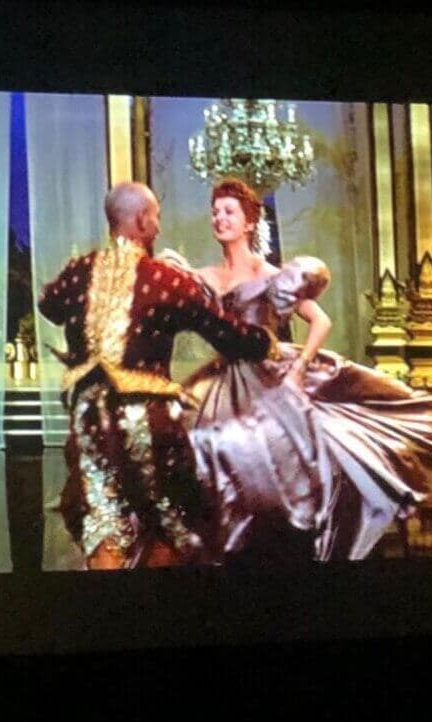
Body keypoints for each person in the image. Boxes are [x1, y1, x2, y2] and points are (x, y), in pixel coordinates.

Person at [163, 177, 432, 563]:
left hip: (269, 371)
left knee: (292, 442)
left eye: (229, 212)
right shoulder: (204, 276)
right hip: (223, 378)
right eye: (215, 212)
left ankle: (292, 533)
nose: (220, 218)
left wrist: (299, 369)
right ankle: (227, 538)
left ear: (249, 222)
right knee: (196, 434)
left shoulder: (271, 275)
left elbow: (321, 321)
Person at [38, 182, 276, 570]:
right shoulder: (166, 281)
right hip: (147, 418)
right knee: (176, 521)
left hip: (88, 416)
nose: (159, 228)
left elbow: (48, 304)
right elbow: (226, 333)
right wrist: (268, 343)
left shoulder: (79, 271)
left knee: (103, 522)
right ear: (141, 221)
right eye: (156, 219)